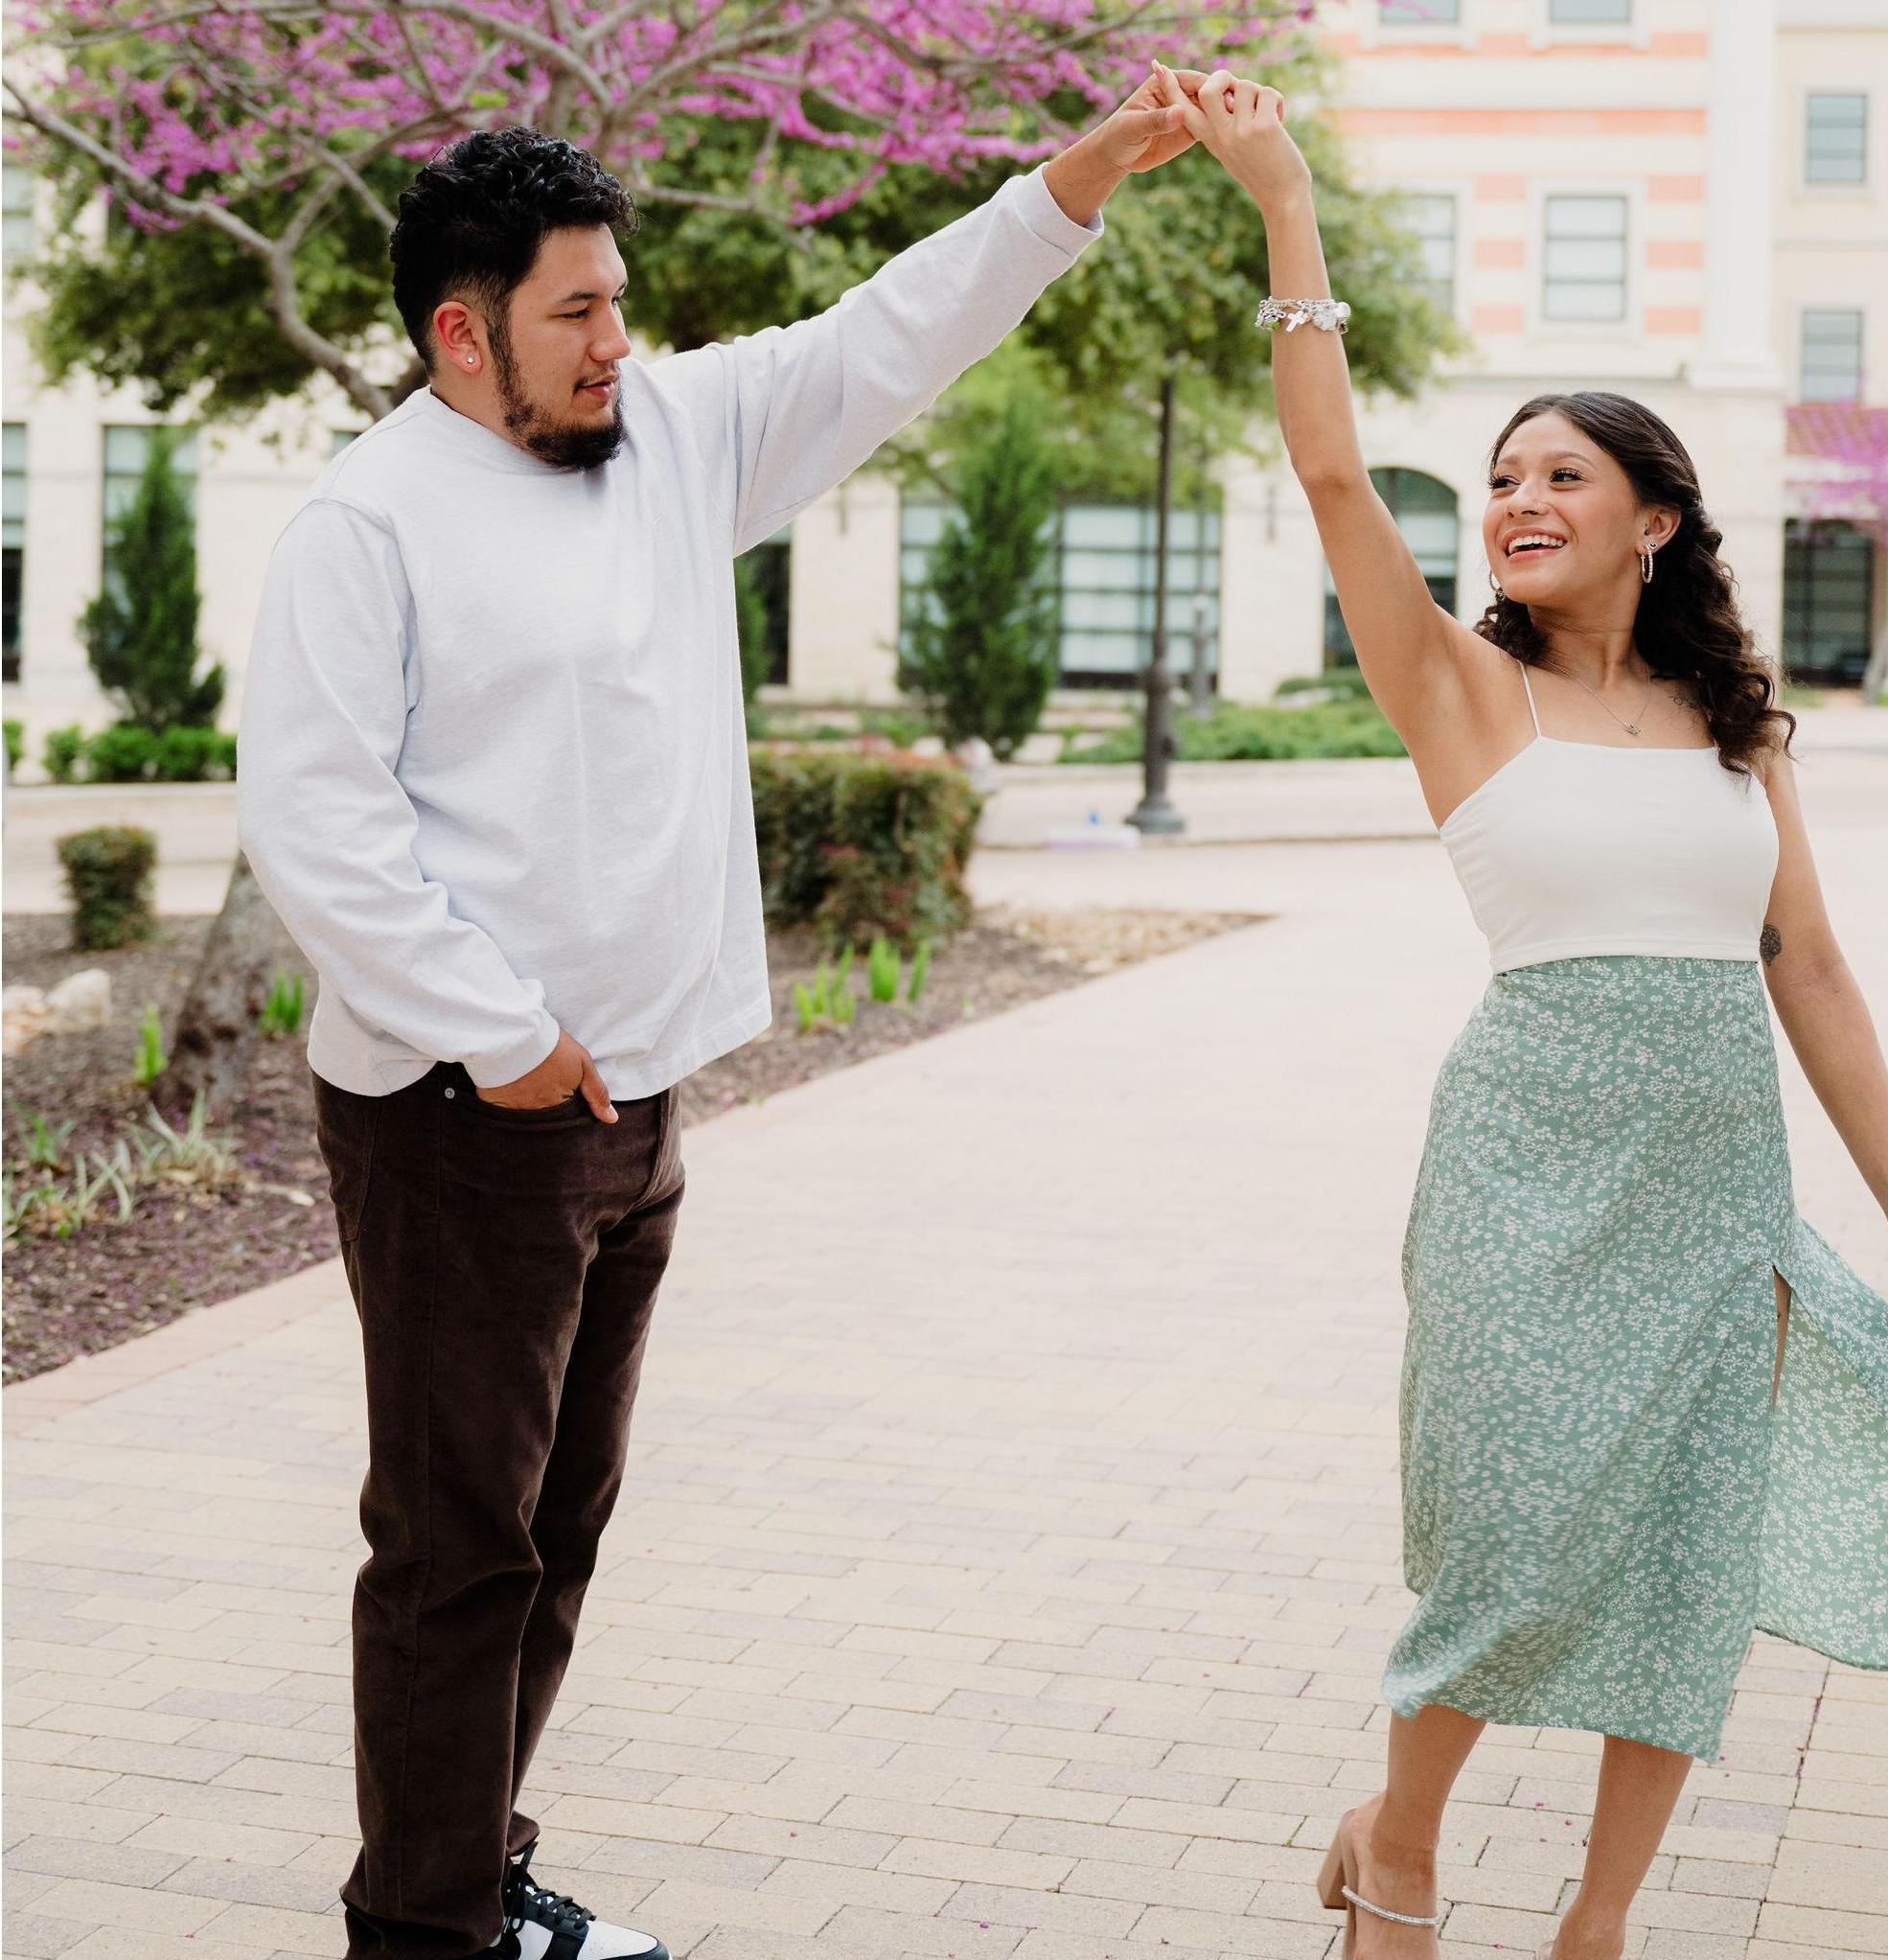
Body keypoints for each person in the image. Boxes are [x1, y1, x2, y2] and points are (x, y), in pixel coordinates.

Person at [236, 80, 1202, 1960]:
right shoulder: (368, 525)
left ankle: (467, 1880)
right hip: (465, 1118)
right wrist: (506, 1036)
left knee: (556, 1534)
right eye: (575, 312)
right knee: (457, 1549)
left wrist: (1072, 182)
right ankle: (422, 1935)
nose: (619, 339)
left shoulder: (667, 435)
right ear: (461, 333)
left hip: (629, 1109)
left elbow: (882, 338)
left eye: (620, 299)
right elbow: (320, 827)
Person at [1164, 63, 1888, 1960]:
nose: (1518, 500)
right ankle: (1402, 1852)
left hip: (1713, 1194)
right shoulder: (1456, 683)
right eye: (1504, 478)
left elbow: (1811, 971)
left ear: (1654, 521)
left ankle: (1596, 1925)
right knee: (1505, 1542)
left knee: (1682, 1560)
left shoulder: (1736, 729)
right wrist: (1287, 209)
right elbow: (1334, 476)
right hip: (1521, 1173)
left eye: (1560, 477)